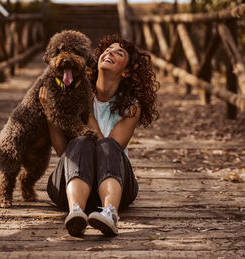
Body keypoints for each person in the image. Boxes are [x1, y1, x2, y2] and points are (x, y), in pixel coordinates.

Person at [39, 34, 159, 237]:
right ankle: (76, 211)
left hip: (117, 184)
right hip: (71, 183)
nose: (110, 52)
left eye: (119, 53)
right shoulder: (74, 91)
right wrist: (50, 114)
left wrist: (87, 108)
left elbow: (106, 149)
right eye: (107, 49)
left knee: (107, 144)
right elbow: (62, 151)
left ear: (127, 72)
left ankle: (110, 213)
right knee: (80, 142)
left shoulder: (131, 107)